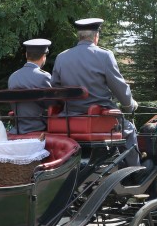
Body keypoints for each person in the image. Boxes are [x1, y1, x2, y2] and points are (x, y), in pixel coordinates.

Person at [51, 18, 140, 166]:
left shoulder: (62, 57)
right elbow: (119, 87)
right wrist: (130, 105)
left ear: (79, 36)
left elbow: (55, 89)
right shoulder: (104, 55)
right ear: (96, 36)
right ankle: (136, 171)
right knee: (129, 129)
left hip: (69, 118)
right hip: (99, 118)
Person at [7, 38, 53, 134]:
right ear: (44, 56)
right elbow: (52, 105)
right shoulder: (44, 77)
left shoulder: (13, 77)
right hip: (40, 127)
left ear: (26, 55)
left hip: (18, 128)